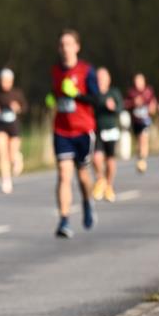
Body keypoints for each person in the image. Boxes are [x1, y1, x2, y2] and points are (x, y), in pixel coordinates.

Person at [50, 29, 99, 238]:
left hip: (83, 131)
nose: (65, 48)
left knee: (83, 176)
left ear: (77, 47)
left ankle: (87, 202)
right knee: (63, 175)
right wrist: (52, 99)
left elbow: (96, 99)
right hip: (61, 130)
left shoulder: (87, 71)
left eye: (69, 44)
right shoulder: (55, 71)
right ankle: (64, 220)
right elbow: (55, 94)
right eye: (62, 44)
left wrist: (77, 94)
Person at [0, 68, 27, 194]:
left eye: (7, 81)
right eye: (2, 81)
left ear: (11, 81)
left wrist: (17, 108)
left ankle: (17, 157)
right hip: (0, 126)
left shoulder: (17, 93)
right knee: (1, 153)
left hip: (14, 127)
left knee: (11, 155)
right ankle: (6, 180)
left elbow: (25, 108)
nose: (5, 83)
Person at [91, 67, 124, 202]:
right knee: (96, 158)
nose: (100, 81)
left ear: (108, 79)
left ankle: (109, 186)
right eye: (98, 78)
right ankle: (100, 179)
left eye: (103, 78)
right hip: (97, 130)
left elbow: (120, 108)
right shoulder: (94, 94)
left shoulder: (113, 92)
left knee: (110, 159)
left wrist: (113, 107)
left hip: (110, 130)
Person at [124, 73, 157, 174]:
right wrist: (134, 102)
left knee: (144, 139)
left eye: (140, 81)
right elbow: (125, 104)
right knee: (139, 142)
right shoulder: (131, 92)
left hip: (145, 120)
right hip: (135, 121)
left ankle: (142, 160)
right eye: (136, 81)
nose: (138, 83)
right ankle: (140, 158)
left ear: (144, 81)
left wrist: (153, 108)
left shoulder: (148, 91)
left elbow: (153, 103)